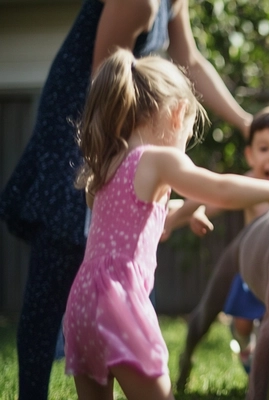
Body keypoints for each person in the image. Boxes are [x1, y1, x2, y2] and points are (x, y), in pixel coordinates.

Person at [0, 0, 252, 398]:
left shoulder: (173, 3)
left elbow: (191, 60)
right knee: (59, 266)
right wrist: (121, 161)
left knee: (117, 263)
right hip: (89, 131)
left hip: (126, 135)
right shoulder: (139, 2)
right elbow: (106, 87)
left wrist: (244, 121)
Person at [63, 49, 269, 400]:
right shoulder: (157, 159)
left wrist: (183, 208)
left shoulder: (108, 165)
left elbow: (136, 212)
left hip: (82, 301)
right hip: (120, 300)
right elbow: (221, 189)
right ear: (178, 114)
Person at [161, 103, 269, 400]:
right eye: (264, 149)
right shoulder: (250, 185)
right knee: (243, 322)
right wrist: (197, 211)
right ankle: (243, 345)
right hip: (252, 271)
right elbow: (211, 198)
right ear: (250, 156)